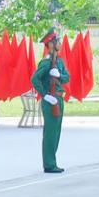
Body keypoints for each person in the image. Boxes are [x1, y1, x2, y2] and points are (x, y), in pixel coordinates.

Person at [31, 26, 70, 173]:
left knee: (56, 132)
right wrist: (45, 94)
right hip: (50, 101)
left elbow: (67, 77)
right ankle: (49, 164)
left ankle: (53, 161)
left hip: (59, 99)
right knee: (50, 133)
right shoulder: (46, 62)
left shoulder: (59, 62)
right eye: (57, 41)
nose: (60, 43)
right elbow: (34, 79)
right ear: (51, 44)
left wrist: (59, 75)